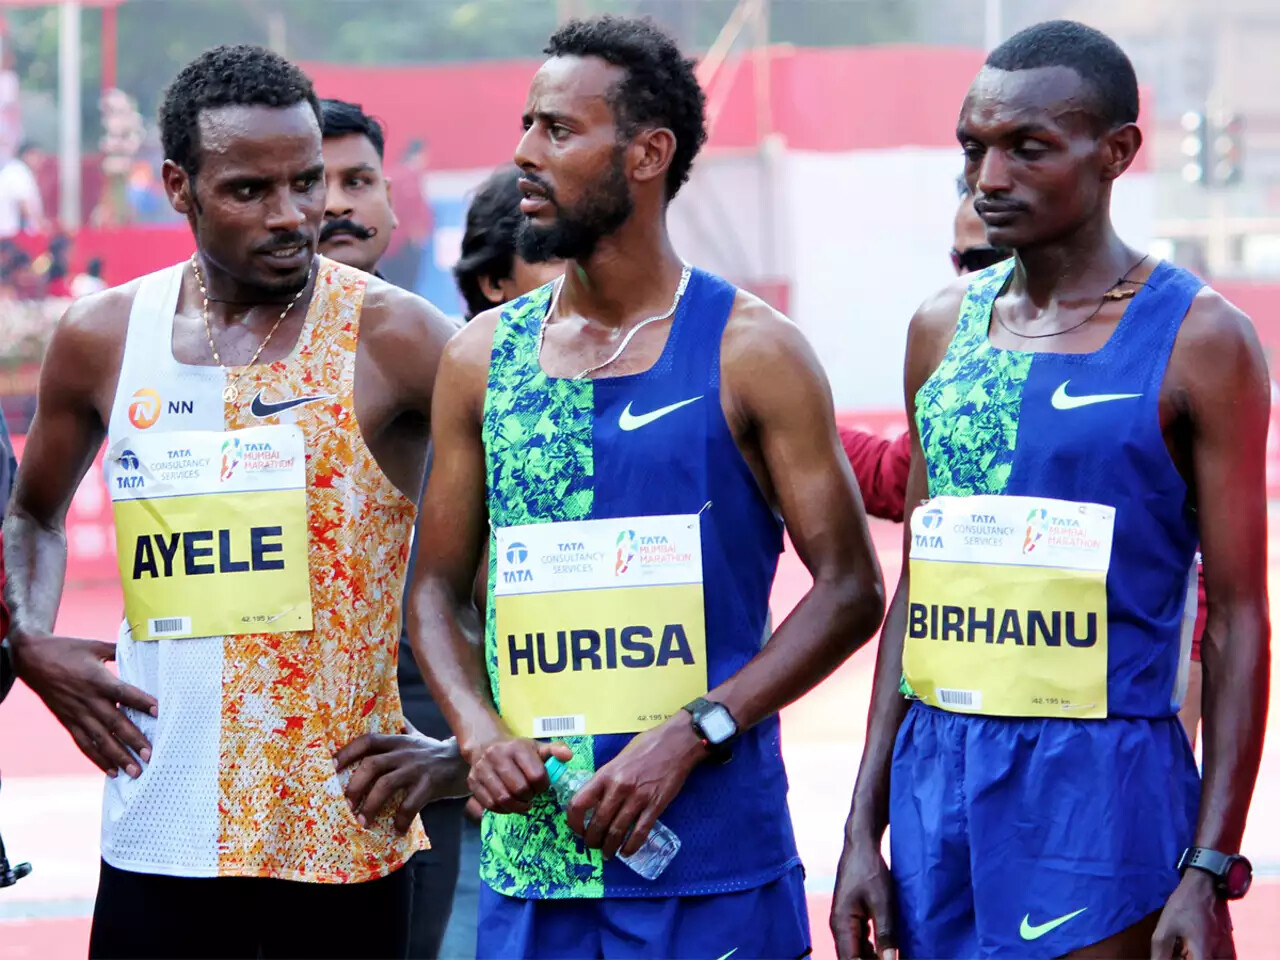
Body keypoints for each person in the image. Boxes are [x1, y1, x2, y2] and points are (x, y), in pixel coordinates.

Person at [409, 15, 884, 959]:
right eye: (526, 124)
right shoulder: (479, 359)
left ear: (647, 154)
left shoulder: (755, 351)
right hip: (536, 862)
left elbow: (851, 589)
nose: (524, 152)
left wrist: (695, 731)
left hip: (711, 857)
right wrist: (478, 733)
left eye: (558, 129)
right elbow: (432, 588)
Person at [2, 46, 467, 960]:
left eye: (307, 182)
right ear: (179, 187)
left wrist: (463, 748)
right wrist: (29, 639)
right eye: (250, 190)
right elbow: (33, 515)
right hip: (159, 821)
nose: (292, 214)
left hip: (339, 832)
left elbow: (528, 530)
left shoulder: (398, 336)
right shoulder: (104, 337)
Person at [831, 20, 1268, 960]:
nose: (988, 178)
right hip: (937, 799)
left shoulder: (1204, 342)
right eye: (973, 148)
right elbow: (918, 591)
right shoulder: (938, 330)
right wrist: (862, 829)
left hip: (1103, 807)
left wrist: (1208, 866)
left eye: (1028, 148)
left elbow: (1237, 619)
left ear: (1116, 152)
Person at [841, 181, 1010, 523]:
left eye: (983, 259)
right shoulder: (953, 351)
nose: (965, 277)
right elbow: (893, 477)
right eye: (958, 260)